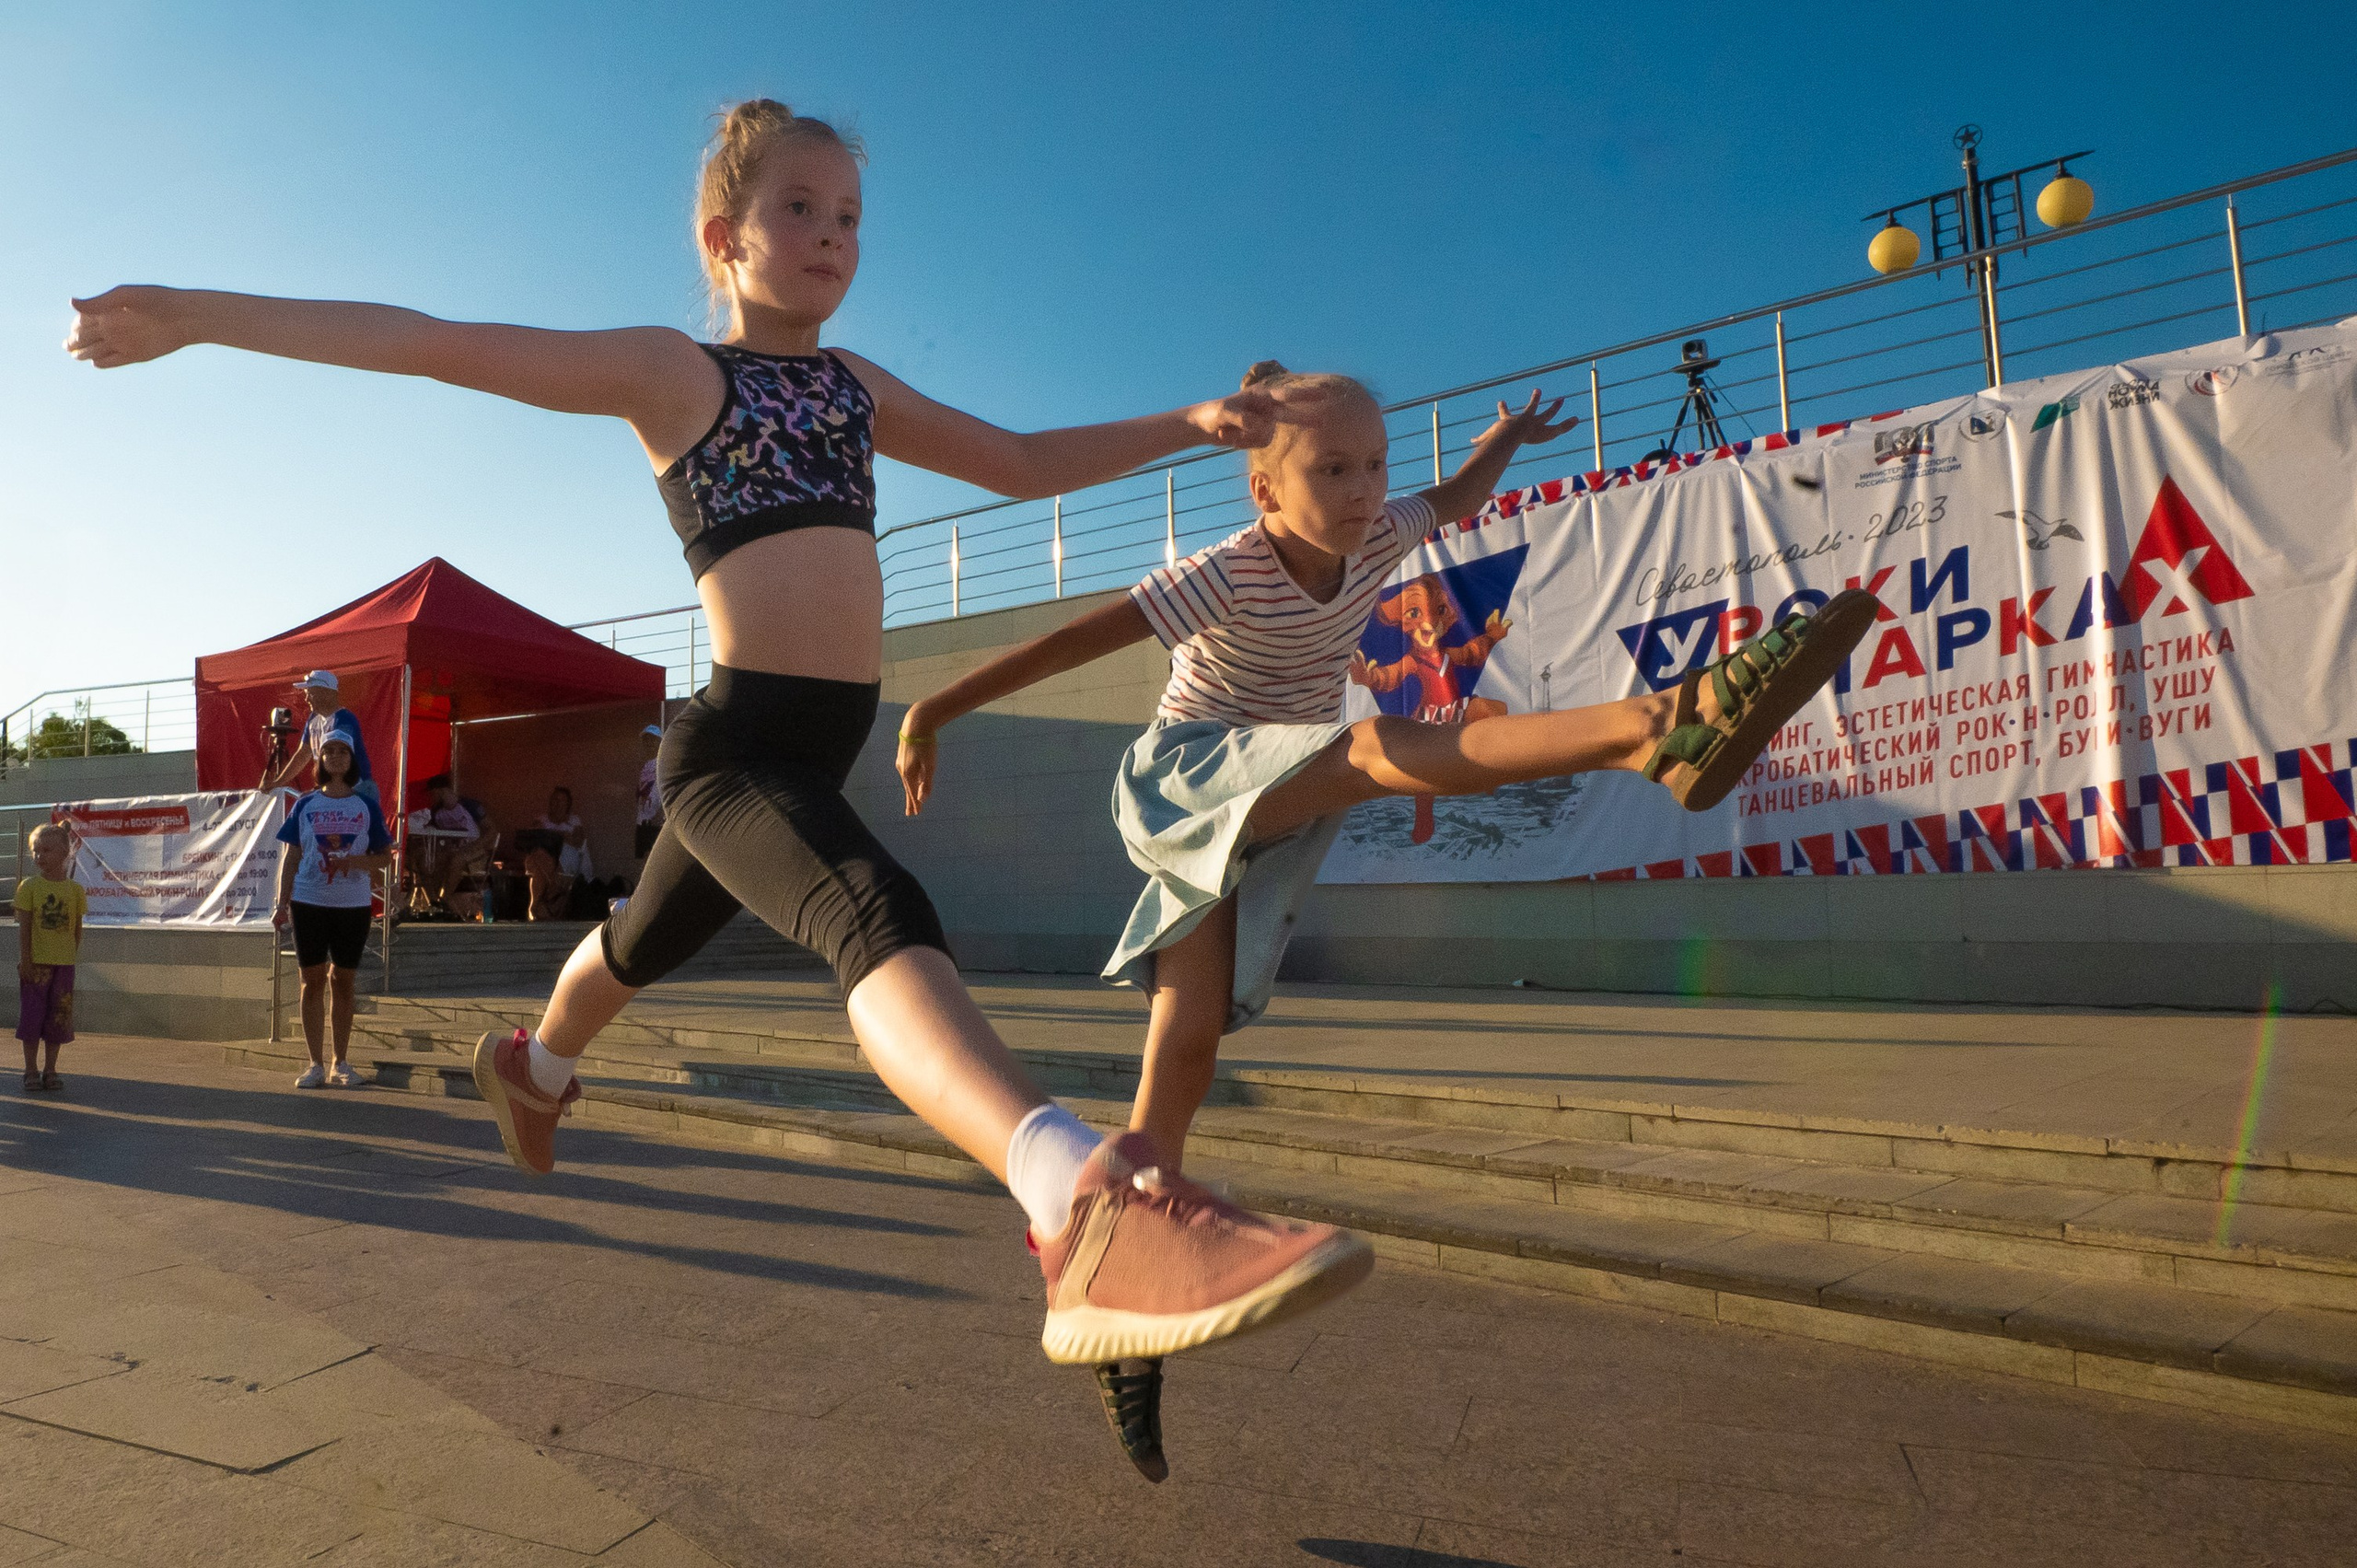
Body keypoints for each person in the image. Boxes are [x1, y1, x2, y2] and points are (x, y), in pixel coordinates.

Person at [67, 99, 1374, 1395]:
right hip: (732, 744)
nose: (829, 237)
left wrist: (1188, 419)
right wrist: (195, 314)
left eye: (850, 217)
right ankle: (1073, 1200)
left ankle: (532, 1062)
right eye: (797, 209)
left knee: (639, 942)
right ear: (724, 235)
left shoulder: (854, 387)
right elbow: (434, 343)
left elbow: (1021, 459)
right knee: (877, 906)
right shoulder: (675, 373)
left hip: (813, 754)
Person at [898, 362, 1877, 1476]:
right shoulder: (1228, 568)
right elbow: (1079, 639)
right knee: (1372, 750)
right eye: (1332, 470)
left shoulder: (1378, 534)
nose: (1364, 491)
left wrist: (1504, 439)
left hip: (1276, 789)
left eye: (1374, 464)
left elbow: (1454, 502)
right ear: (1266, 491)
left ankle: (1123, 1268)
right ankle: (1660, 722)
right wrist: (934, 705)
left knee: (1192, 1031)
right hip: (1187, 777)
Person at [271, 737, 392, 1087]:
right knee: (311, 981)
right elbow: (292, 857)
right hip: (308, 901)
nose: (336, 757)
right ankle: (314, 1064)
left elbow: (384, 856)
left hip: (352, 904)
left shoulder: (365, 805)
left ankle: (342, 1061)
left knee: (343, 980)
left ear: (351, 759)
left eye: (343, 752)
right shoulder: (305, 804)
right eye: (329, 751)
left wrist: (356, 861)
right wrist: (281, 903)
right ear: (319, 758)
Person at [14, 823, 86, 1093]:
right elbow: (25, 928)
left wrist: (68, 958)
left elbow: (77, 930)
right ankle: (30, 1069)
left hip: (64, 967)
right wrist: (27, 960)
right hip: (36, 965)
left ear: (64, 853)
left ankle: (51, 1069)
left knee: (58, 1019)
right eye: (35, 851)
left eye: (47, 850)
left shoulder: (76, 891)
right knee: (32, 1017)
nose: (40, 856)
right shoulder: (29, 887)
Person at [263, 671, 377, 804]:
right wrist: (278, 783)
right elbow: (303, 754)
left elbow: (339, 763)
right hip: (334, 789)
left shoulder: (344, 720)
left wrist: (320, 791)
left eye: (310, 694)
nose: (306, 699)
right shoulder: (313, 719)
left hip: (356, 789)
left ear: (326, 694)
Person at [633, 725, 665, 864]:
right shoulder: (645, 766)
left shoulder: (662, 764)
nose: (649, 744)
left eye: (652, 740)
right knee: (642, 863)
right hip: (643, 823)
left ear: (659, 742)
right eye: (646, 740)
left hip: (655, 824)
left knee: (653, 863)